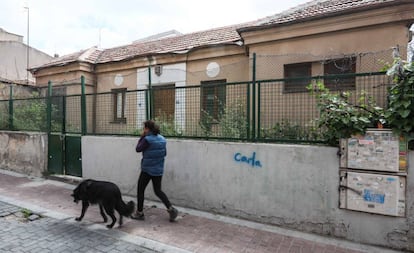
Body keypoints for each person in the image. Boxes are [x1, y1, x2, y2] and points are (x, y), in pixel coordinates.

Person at [131, 120, 178, 222]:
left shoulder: (147, 139)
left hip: (147, 169)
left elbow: (138, 149)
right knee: (158, 191)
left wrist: (142, 136)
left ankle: (139, 213)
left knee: (140, 190)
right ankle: (171, 209)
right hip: (158, 169)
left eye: (144, 128)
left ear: (147, 129)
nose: (143, 130)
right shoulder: (162, 139)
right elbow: (164, 153)